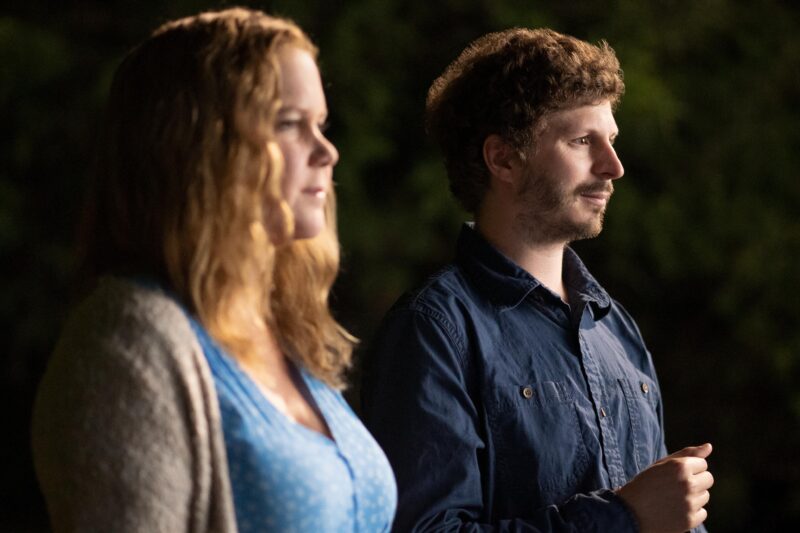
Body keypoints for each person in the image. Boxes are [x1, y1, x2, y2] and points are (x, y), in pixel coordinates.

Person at [32, 8, 396, 532]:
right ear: (198, 147)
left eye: (320, 124)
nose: (327, 151)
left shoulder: (283, 332)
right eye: (288, 124)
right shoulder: (127, 344)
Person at [361, 28, 712, 532]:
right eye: (582, 141)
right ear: (503, 158)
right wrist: (622, 518)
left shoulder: (615, 329)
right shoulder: (435, 331)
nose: (613, 167)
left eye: (611, 141)